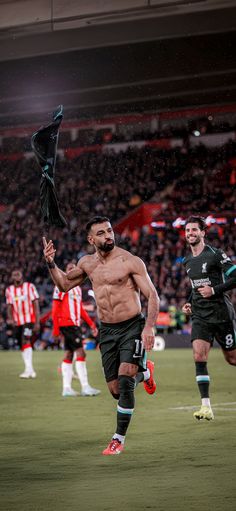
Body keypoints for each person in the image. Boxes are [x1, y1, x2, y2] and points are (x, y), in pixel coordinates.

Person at [43, 216, 159, 455]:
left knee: (126, 380)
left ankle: (118, 439)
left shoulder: (130, 261)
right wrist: (51, 264)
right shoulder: (86, 263)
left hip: (132, 327)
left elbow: (153, 296)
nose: (108, 236)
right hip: (107, 331)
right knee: (116, 390)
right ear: (91, 239)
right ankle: (145, 371)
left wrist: (148, 327)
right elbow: (64, 285)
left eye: (110, 231)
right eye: (102, 233)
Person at [182, 215, 236, 421]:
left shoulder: (215, 254)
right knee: (199, 356)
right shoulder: (187, 260)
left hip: (222, 315)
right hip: (200, 317)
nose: (190, 233)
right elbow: (196, 288)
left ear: (203, 232)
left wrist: (214, 290)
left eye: (194, 230)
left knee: (232, 359)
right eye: (187, 231)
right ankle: (206, 406)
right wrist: (189, 302)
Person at [52, 261, 101, 397]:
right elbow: (55, 308)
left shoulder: (77, 289)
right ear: (66, 272)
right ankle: (85, 387)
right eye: (69, 268)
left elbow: (80, 309)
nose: (72, 270)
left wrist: (91, 324)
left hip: (73, 324)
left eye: (74, 268)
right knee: (81, 353)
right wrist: (55, 329)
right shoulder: (60, 286)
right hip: (67, 324)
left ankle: (66, 389)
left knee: (69, 354)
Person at [5, 269, 40, 378]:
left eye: (18, 274)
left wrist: (37, 322)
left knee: (26, 340)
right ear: (12, 277)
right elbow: (9, 306)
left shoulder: (30, 287)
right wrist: (10, 319)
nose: (16, 276)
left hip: (29, 320)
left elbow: (36, 305)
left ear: (22, 276)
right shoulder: (9, 290)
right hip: (17, 321)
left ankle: (28, 370)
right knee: (22, 344)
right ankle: (30, 370)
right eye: (14, 275)